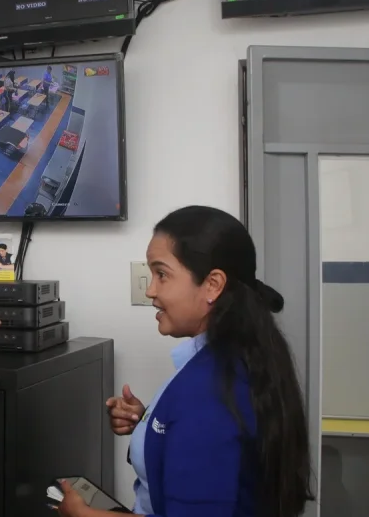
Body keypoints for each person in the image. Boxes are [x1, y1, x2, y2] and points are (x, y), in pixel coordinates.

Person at [56, 206, 313, 517]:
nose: (150, 289)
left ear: (213, 285)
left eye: (161, 274)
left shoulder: (210, 392)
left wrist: (85, 515)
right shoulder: (230, 362)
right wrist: (151, 423)